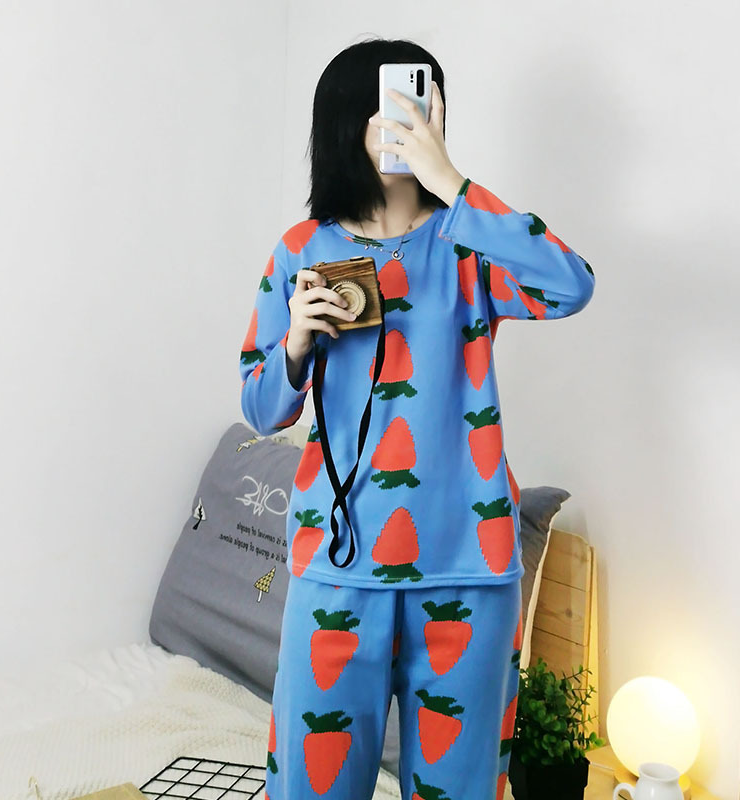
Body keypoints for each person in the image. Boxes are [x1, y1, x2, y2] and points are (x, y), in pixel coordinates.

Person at [239, 37, 595, 800]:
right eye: (385, 107)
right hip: (337, 564)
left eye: (419, 101)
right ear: (345, 122)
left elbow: (571, 285)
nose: (404, 119)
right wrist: (296, 343)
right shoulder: (302, 250)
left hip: (469, 564)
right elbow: (262, 408)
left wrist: (453, 185)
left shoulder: (472, 244)